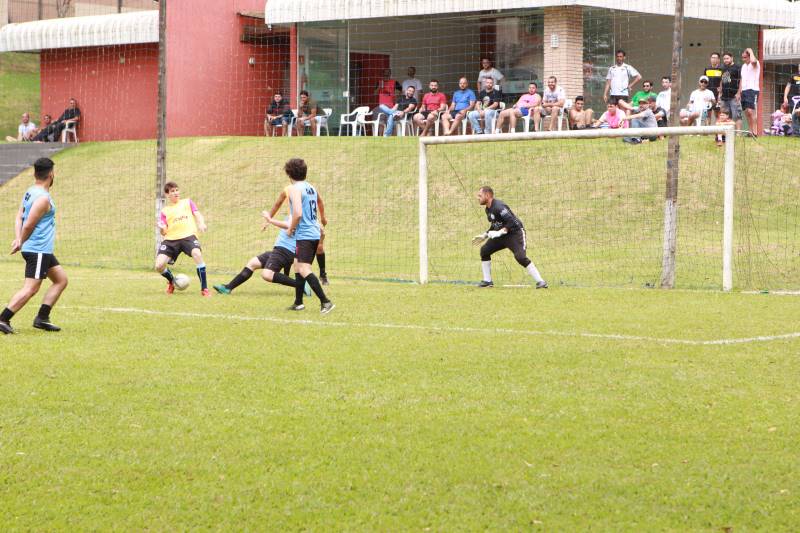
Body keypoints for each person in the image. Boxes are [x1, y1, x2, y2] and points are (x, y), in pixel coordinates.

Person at [0, 158, 68, 334]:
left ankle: (42, 318)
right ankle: (3, 319)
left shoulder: (30, 192)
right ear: (51, 174)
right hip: (38, 249)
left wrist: (18, 238)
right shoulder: (43, 199)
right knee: (31, 288)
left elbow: (19, 216)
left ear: (35, 174)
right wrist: (20, 241)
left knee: (61, 280)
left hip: (41, 250)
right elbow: (29, 224)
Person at [213, 186, 317, 296]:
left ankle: (300, 284)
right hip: (281, 249)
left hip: (286, 250)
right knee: (253, 263)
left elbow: (288, 225)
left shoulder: (298, 213)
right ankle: (228, 288)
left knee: (267, 274)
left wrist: (270, 220)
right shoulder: (297, 212)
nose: (287, 201)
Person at [283, 158, 334, 314]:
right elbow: (319, 201)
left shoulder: (294, 189)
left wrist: (290, 229)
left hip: (305, 234)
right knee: (297, 265)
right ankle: (298, 302)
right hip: (313, 232)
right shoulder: (310, 187)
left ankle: (325, 302)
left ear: (289, 173)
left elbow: (297, 213)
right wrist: (323, 218)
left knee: (304, 268)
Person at [471, 186, 547, 289]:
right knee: (484, 251)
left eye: (480, 196)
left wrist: (500, 232)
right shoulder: (488, 209)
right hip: (502, 235)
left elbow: (512, 221)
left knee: (520, 257)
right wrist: (485, 235)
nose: (478, 198)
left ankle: (541, 282)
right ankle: (487, 281)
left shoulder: (499, 207)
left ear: (487, 195)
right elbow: (495, 225)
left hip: (514, 233)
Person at [155, 182, 210, 296]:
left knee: (197, 254)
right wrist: (161, 228)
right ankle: (171, 281)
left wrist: (201, 223)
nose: (176, 193)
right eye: (172, 191)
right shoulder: (165, 211)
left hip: (188, 236)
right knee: (159, 265)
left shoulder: (187, 202)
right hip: (171, 240)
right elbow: (164, 231)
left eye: (177, 190)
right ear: (167, 194)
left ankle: (204, 289)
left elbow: (197, 214)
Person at [719, 52, 743, 132]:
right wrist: (720, 92)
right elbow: (723, 80)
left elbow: (741, 80)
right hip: (724, 97)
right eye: (724, 59)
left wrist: (739, 93)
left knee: (737, 115)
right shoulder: (723, 68)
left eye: (727, 58)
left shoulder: (738, 67)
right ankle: (727, 133)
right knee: (725, 116)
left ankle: (738, 133)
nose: (725, 60)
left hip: (734, 96)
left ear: (732, 58)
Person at [740, 48, 760, 137]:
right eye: (742, 57)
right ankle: (750, 131)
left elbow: (754, 61)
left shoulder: (755, 63)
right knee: (746, 112)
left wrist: (751, 51)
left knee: (751, 111)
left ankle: (755, 132)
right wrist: (739, 92)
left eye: (745, 57)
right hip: (744, 90)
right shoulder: (743, 66)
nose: (743, 59)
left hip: (753, 90)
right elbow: (742, 79)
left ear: (749, 56)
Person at [704, 53, 724, 122]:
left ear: (719, 60)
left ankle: (718, 129)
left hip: (718, 95)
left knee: (718, 114)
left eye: (715, 58)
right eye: (712, 57)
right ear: (710, 59)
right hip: (708, 94)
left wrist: (721, 90)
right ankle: (706, 128)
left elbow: (727, 81)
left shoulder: (723, 69)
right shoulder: (706, 69)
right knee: (707, 114)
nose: (714, 59)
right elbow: (704, 81)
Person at [783, 63, 800, 136]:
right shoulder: (794, 76)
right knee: (794, 114)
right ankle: (796, 133)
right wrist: (785, 97)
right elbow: (788, 86)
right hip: (794, 99)